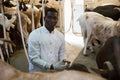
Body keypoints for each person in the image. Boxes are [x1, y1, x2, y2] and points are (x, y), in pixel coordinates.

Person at [28, 8, 70, 72]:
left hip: (54, 73)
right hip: (38, 73)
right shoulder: (34, 35)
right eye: (49, 17)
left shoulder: (60, 36)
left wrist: (63, 61)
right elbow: (34, 58)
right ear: (45, 19)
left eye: (55, 18)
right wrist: (51, 67)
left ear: (57, 20)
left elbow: (62, 53)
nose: (52, 20)